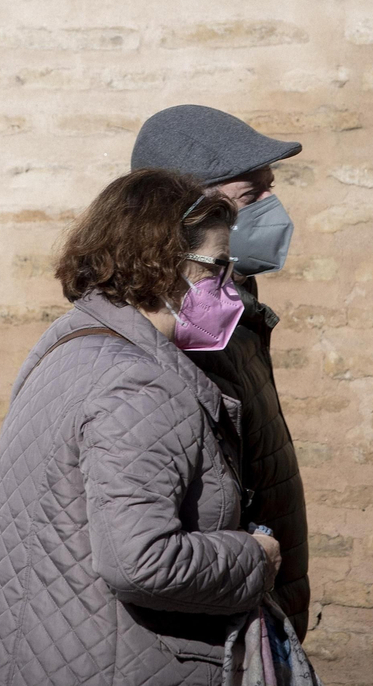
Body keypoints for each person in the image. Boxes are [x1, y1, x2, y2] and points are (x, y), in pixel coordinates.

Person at [0, 168, 282, 686]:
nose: (230, 284)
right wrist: (255, 557)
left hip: (31, 675)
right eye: (215, 267)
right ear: (159, 265)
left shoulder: (69, 347)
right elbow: (141, 560)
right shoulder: (142, 383)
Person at [130, 104, 312, 639]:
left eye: (269, 189)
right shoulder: (170, 325)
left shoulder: (231, 305)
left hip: (261, 597)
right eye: (251, 195)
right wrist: (250, 568)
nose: (271, 209)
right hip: (211, 620)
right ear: (184, 211)